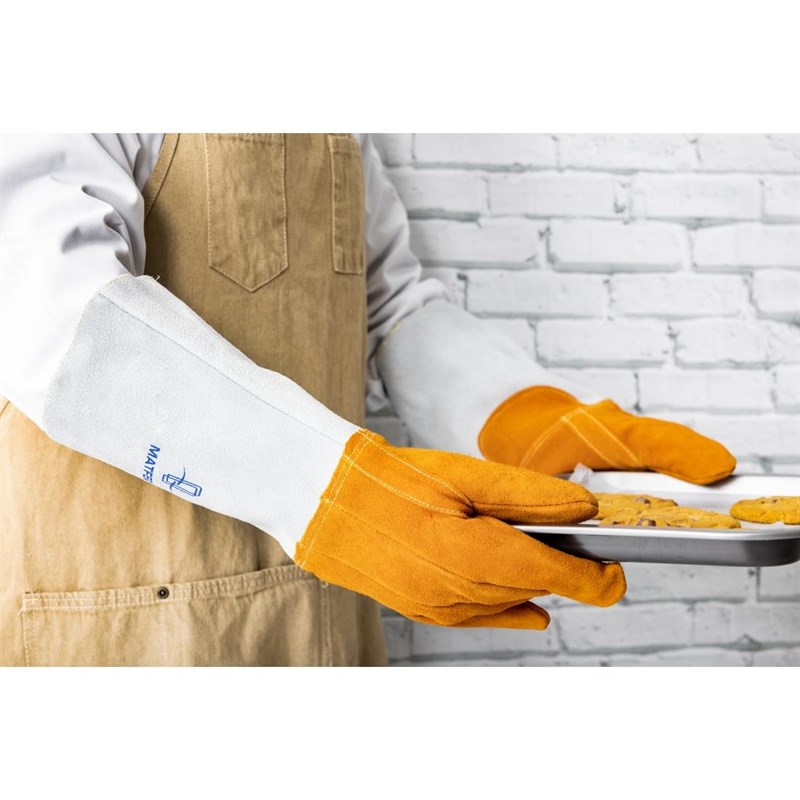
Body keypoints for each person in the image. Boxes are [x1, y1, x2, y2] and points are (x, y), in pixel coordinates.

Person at [0, 133, 736, 666]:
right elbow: (48, 312)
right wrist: (330, 491)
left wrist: (516, 414)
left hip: (326, 611)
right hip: (127, 631)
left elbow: (385, 302)